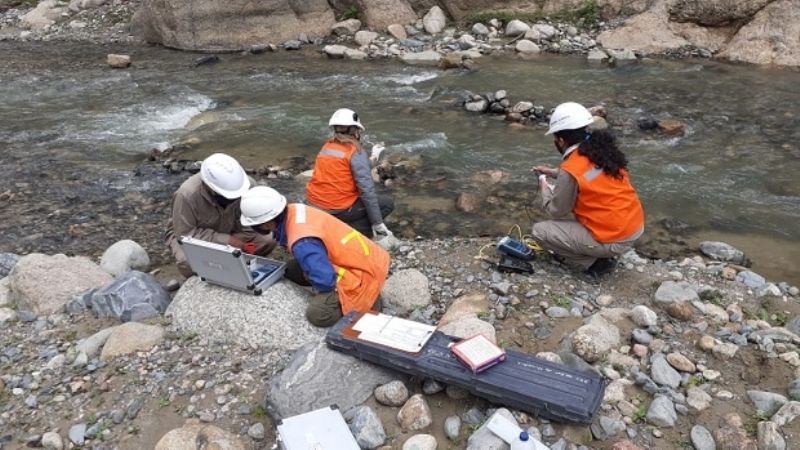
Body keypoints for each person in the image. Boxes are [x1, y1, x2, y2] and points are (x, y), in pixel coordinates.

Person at [239, 186, 390, 327]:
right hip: (365, 259)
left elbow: (325, 281)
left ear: (266, 224)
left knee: (317, 314)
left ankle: (366, 304)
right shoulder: (294, 210)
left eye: (255, 225)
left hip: (363, 275)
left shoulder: (301, 241)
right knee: (289, 269)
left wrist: (312, 277)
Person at [531, 102, 644, 278]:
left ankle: (596, 263)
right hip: (633, 226)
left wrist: (543, 185)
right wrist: (556, 173)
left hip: (614, 238)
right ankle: (602, 251)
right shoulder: (601, 151)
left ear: (561, 140)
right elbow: (591, 174)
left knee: (540, 231)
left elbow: (556, 211)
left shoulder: (571, 168)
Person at [165, 153, 276, 277]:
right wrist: (227, 241)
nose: (235, 198)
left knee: (268, 240)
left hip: (233, 229)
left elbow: (254, 218)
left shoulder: (247, 185)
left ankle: (237, 267)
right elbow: (184, 234)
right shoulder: (186, 195)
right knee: (187, 262)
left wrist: (242, 242)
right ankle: (208, 279)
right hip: (192, 236)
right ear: (211, 188)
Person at [306, 108, 394, 239]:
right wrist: (378, 223)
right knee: (387, 203)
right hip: (336, 208)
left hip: (314, 203)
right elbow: (367, 191)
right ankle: (359, 235)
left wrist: (374, 157)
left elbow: (351, 166)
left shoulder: (327, 146)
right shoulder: (355, 152)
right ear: (354, 130)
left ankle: (336, 225)